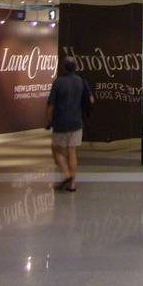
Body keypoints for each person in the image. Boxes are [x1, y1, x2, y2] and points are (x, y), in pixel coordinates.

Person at [46, 56, 93, 193]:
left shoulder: (58, 82)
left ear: (63, 67)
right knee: (72, 152)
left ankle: (66, 173)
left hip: (60, 122)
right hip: (76, 121)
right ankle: (72, 183)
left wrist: (48, 119)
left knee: (56, 150)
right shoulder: (81, 81)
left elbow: (51, 104)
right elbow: (91, 99)